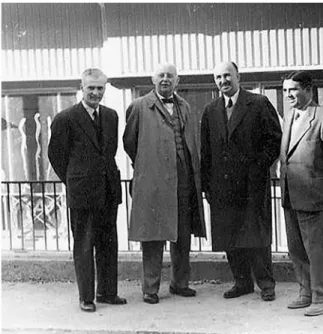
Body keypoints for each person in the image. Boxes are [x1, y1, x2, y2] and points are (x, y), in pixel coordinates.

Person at [123, 63, 206, 305]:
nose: (166, 79)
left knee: (182, 235)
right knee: (153, 237)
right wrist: (150, 166)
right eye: (161, 75)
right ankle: (150, 288)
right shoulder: (139, 107)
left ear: (177, 81)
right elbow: (130, 143)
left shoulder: (185, 106)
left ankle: (180, 283)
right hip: (154, 182)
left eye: (170, 76)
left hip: (183, 181)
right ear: (153, 79)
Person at [201, 61, 282, 302]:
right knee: (231, 237)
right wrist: (207, 185)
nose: (223, 81)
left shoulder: (258, 103)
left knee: (256, 237)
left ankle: (266, 284)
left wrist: (257, 168)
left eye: (227, 75)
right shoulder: (211, 110)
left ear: (238, 77)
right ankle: (242, 282)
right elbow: (206, 151)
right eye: (218, 77)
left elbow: (274, 140)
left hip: (251, 186)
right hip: (222, 188)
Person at [48, 68, 126, 312]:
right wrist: (75, 180)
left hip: (108, 191)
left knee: (108, 243)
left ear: (105, 89)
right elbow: (56, 156)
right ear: (81, 88)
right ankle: (86, 297)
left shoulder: (112, 116)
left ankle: (107, 292)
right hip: (82, 193)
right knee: (84, 245)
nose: (95, 92)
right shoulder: (66, 118)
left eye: (100, 88)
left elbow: (110, 152)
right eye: (91, 87)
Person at [280, 70, 323, 316]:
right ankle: (305, 293)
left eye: (294, 90)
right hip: (290, 194)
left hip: (314, 197)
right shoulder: (289, 116)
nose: (288, 94)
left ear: (309, 90)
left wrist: (320, 182)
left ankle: (322, 298)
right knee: (296, 249)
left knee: (316, 251)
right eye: (286, 90)